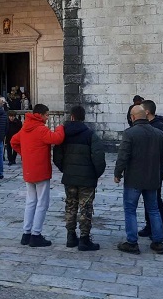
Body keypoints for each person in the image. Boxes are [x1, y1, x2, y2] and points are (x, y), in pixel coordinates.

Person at [114, 105, 163, 255]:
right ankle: (158, 242)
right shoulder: (158, 133)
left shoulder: (130, 133)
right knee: (153, 209)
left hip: (134, 178)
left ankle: (132, 242)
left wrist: (118, 173)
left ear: (133, 117)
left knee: (130, 210)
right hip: (152, 177)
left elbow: (123, 155)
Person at [11, 104, 65, 248]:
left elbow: (13, 141)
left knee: (30, 202)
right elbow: (57, 139)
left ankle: (26, 233)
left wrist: (25, 154)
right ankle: (36, 234)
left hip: (29, 170)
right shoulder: (41, 129)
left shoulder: (25, 128)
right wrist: (60, 127)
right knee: (42, 203)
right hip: (41, 170)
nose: (47, 118)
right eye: (46, 115)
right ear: (40, 115)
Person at [53, 105, 106, 251]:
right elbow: (99, 158)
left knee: (70, 206)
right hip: (87, 179)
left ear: (71, 117)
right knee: (86, 208)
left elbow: (57, 156)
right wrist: (95, 174)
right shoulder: (90, 135)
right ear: (83, 117)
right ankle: (84, 239)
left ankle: (70, 236)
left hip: (70, 177)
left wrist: (66, 169)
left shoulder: (63, 135)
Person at [137, 100, 163, 242]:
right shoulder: (150, 125)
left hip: (156, 168)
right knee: (149, 198)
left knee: (155, 199)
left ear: (146, 112)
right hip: (147, 167)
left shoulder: (159, 127)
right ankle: (150, 226)